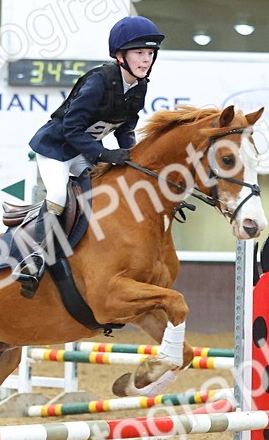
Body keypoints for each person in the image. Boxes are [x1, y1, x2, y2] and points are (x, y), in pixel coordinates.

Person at [11, 15, 163, 292]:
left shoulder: (140, 86)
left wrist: (130, 153)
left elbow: (126, 126)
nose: (146, 60)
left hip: (85, 150)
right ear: (120, 55)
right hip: (56, 149)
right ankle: (33, 256)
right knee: (57, 195)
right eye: (139, 53)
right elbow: (71, 129)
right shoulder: (98, 82)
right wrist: (105, 154)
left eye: (150, 53)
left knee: (102, 193)